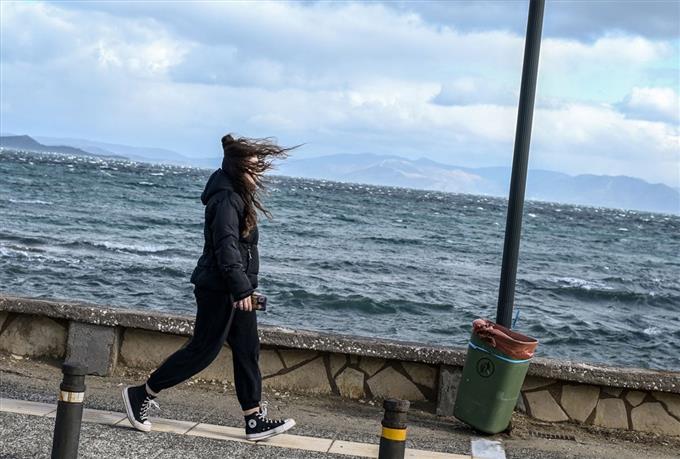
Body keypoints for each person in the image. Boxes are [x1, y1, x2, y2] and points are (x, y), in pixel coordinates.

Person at [122, 134, 297, 441]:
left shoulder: (236, 196)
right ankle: (141, 394)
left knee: (247, 349)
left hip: (236, 288)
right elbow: (225, 247)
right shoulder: (227, 198)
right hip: (220, 289)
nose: (257, 175)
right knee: (203, 351)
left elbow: (240, 250)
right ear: (238, 169)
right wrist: (241, 290)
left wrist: (246, 288)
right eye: (252, 169)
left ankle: (253, 419)